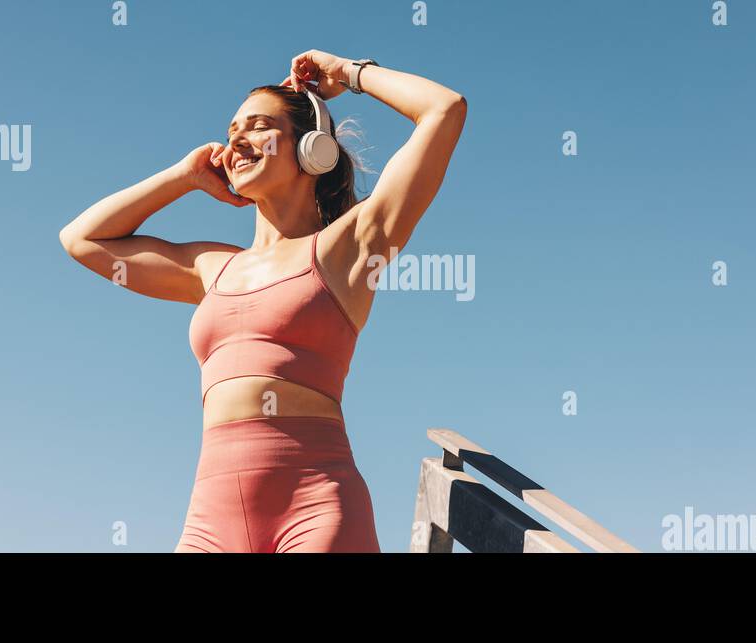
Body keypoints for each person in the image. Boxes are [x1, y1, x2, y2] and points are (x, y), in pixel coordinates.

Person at [59, 50, 467, 552]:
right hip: (210, 519)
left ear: (311, 149)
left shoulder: (349, 246)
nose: (236, 140)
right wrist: (183, 176)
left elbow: (444, 110)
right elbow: (82, 240)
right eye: (232, 131)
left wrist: (348, 73)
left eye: (258, 126)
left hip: (315, 507)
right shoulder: (210, 267)